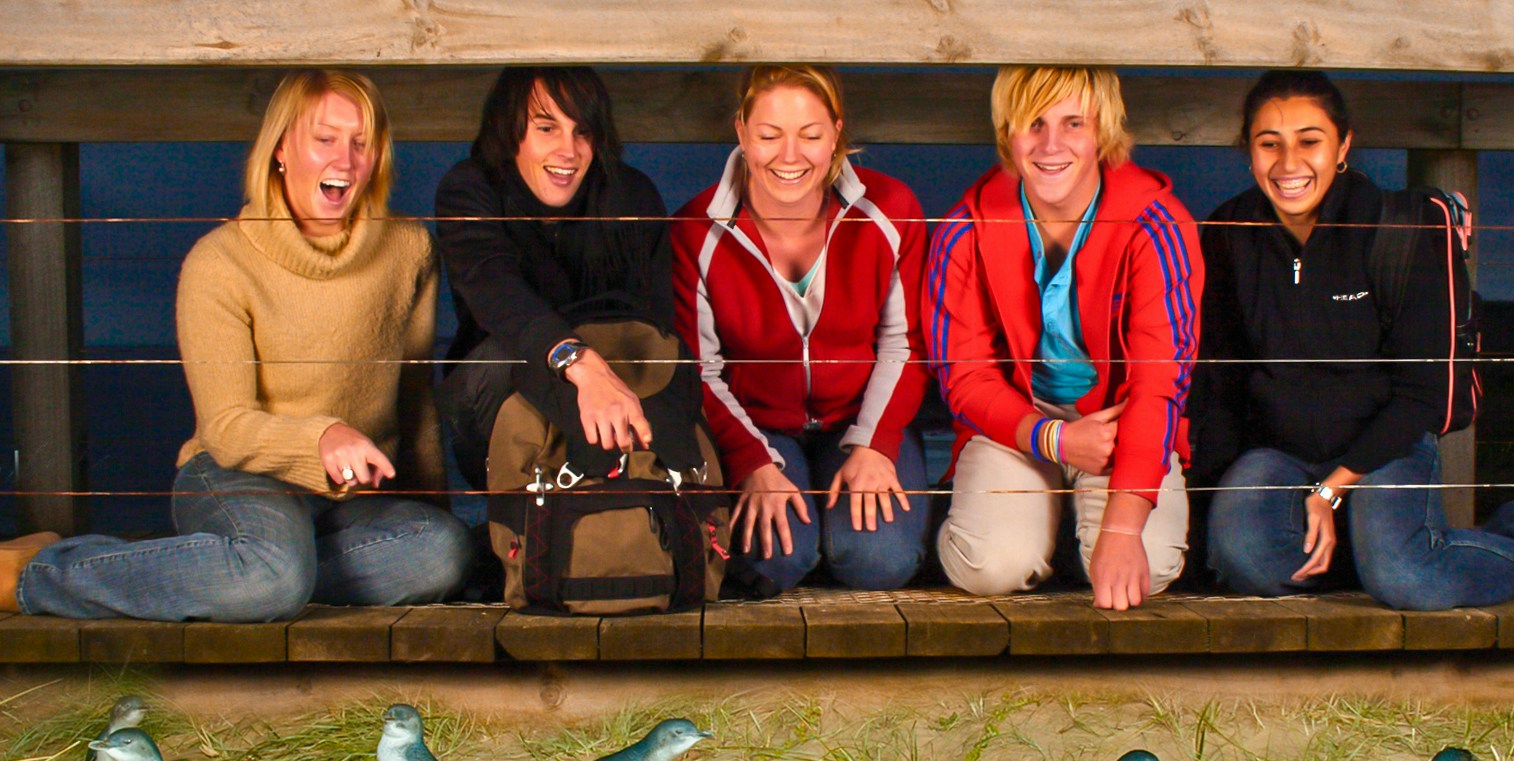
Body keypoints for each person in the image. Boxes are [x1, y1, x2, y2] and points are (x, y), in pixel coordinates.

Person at [0, 69, 471, 620]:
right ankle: (33, 574)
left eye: (361, 143)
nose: (344, 160)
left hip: (346, 502)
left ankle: (244, 574)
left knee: (444, 553)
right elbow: (224, 428)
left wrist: (435, 513)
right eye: (324, 139)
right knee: (273, 573)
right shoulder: (219, 261)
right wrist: (321, 436)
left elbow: (415, 404)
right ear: (280, 150)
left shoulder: (409, 249)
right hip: (237, 474)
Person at [1191, 69, 1514, 610]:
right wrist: (1203, 526)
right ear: (1250, 153)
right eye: (1270, 144)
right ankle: (1369, 551)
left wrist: (1332, 488)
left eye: (1309, 141)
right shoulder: (1229, 232)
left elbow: (1425, 394)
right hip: (1279, 454)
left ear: (1343, 146)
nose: (1289, 164)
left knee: (1410, 578)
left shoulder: (1396, 231)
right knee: (1247, 561)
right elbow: (1220, 382)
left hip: (1388, 446)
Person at [925, 66, 1201, 609]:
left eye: (1074, 123)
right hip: (1018, 420)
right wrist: (1051, 438)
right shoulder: (963, 229)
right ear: (1008, 134)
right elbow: (964, 377)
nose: (1052, 145)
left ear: (1102, 131)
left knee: (1154, 563)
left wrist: (1122, 530)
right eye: (1033, 124)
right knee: (989, 566)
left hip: (1118, 422)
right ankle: (1011, 510)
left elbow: (1159, 383)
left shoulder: (1158, 225)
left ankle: (1080, 526)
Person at [673, 65, 931, 593]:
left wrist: (877, 445)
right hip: (759, 423)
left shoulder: (890, 209)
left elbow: (905, 343)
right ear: (742, 132)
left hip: (861, 417)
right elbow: (697, 369)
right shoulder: (695, 229)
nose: (790, 156)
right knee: (779, 560)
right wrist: (749, 461)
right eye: (769, 136)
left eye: (810, 136)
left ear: (836, 132)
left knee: (878, 561)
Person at [434, 67, 672, 491]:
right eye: (547, 128)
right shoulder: (470, 188)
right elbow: (495, 289)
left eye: (582, 132)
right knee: (491, 364)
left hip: (613, 402)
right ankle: (518, 517)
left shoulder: (632, 196)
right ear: (512, 132)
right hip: (505, 400)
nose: (569, 151)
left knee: (655, 360)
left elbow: (654, 329)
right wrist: (579, 365)